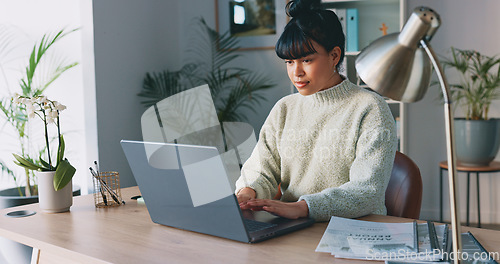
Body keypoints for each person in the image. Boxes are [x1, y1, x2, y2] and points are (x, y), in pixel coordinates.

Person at [234, 0, 397, 222]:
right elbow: (262, 170)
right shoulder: (284, 108)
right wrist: (247, 192)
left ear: (334, 56)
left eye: (306, 60)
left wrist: (304, 207)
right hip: (293, 226)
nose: (296, 72)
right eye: (289, 62)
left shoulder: (370, 108)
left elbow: (367, 191)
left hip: (356, 228)